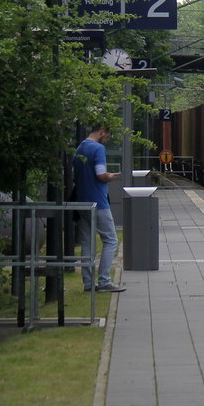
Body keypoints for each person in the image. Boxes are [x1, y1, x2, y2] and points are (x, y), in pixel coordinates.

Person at [73, 125, 125, 292]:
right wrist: (111, 177)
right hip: (98, 201)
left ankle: (88, 284)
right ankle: (104, 281)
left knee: (87, 243)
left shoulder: (80, 147)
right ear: (102, 131)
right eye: (107, 136)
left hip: (81, 201)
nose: (107, 140)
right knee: (110, 240)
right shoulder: (98, 148)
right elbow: (100, 174)